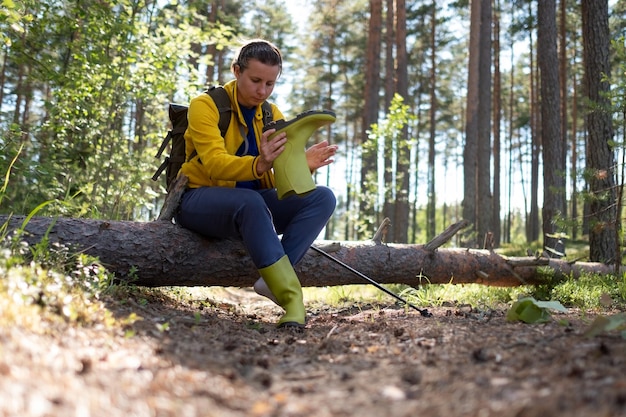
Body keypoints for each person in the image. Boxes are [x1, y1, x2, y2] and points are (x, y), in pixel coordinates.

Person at [175, 39, 338, 329]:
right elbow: (213, 162)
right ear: (236, 71)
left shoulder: (271, 114)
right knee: (250, 202)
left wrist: (303, 166)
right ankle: (290, 296)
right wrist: (258, 163)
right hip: (199, 201)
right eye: (255, 80)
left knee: (322, 197)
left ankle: (269, 282)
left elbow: (277, 181)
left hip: (254, 208)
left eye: (270, 84)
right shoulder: (205, 105)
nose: (262, 91)